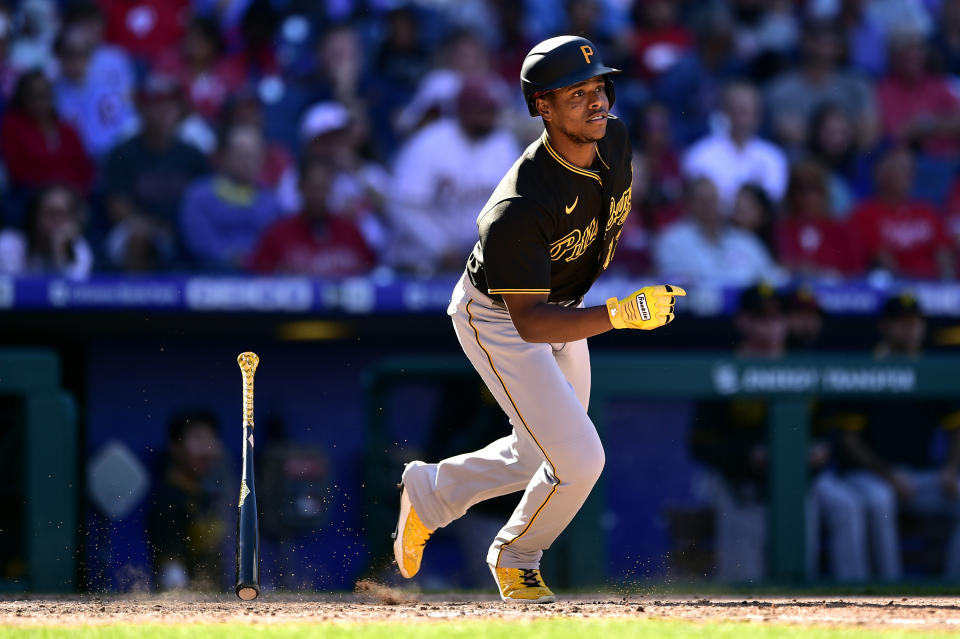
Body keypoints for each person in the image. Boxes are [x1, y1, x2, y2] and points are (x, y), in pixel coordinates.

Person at [392, 36, 686, 604]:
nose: (596, 101)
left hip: (562, 306)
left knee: (538, 451)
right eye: (577, 94)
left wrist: (601, 309)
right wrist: (619, 315)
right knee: (580, 458)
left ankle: (430, 491)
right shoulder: (517, 206)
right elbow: (527, 322)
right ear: (541, 107)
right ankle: (516, 555)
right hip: (498, 316)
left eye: (599, 87)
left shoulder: (616, 143)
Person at [690, 284, 869, 583]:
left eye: (778, 316)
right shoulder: (724, 369)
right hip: (739, 480)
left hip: (800, 481)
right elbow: (700, 444)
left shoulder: (803, 363)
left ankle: (852, 595)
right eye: (762, 317)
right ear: (743, 321)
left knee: (801, 574)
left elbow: (830, 430)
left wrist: (821, 450)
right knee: (743, 580)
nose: (772, 325)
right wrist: (749, 455)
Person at [833, 294, 960, 580]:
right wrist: (889, 474)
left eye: (915, 322)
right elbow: (848, 439)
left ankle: (952, 588)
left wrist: (951, 469)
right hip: (870, 476)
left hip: (919, 477)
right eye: (902, 323)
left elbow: (955, 428)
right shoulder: (866, 366)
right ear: (885, 326)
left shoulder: (931, 369)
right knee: (880, 499)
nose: (910, 329)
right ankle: (890, 587)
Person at [385, 76, 520, 276]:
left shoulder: (503, 145)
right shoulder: (429, 142)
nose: (490, 116)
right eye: (483, 110)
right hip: (421, 264)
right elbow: (403, 205)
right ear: (463, 110)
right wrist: (441, 247)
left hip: (480, 265)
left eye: (492, 110)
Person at [102, 75, 208, 272]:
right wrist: (155, 228)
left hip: (183, 230)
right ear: (142, 109)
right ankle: (135, 299)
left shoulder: (193, 155)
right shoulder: (122, 153)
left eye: (171, 105)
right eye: (157, 105)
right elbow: (117, 208)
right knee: (139, 237)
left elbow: (203, 202)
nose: (165, 111)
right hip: (134, 229)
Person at [146, 410, 232, 591]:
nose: (208, 449)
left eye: (212, 439)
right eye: (199, 439)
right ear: (175, 447)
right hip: (184, 605)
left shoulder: (207, 496)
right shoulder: (168, 498)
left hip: (216, 599)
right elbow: (171, 572)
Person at [249, 157, 375, 276]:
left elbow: (372, 274)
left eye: (323, 188)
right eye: (312, 188)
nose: (318, 195)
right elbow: (259, 279)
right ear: (300, 188)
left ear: (330, 188)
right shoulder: (277, 234)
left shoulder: (351, 232)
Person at [179, 125, 281, 270]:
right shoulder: (199, 195)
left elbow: (275, 244)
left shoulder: (271, 202)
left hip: (259, 275)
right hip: (211, 273)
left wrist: (254, 259)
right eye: (241, 155)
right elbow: (198, 241)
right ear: (224, 156)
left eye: (252, 156)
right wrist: (229, 256)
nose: (247, 162)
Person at [653, 177, 782, 286]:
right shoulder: (671, 240)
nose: (710, 206)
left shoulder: (744, 239)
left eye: (714, 200)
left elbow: (771, 276)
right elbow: (675, 283)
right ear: (689, 204)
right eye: (703, 201)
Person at [848, 147, 954, 280]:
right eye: (902, 169)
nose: (910, 175)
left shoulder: (927, 211)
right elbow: (884, 262)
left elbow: (944, 254)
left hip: (935, 288)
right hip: (897, 289)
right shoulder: (865, 213)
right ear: (882, 174)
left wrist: (947, 286)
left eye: (912, 170)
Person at [682, 80, 788, 211]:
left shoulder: (772, 156)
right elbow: (699, 199)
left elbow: (772, 198)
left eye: (748, 112)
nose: (742, 119)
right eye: (737, 110)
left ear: (758, 116)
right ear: (724, 112)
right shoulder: (700, 153)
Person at [0, 184, 93, 279]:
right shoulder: (9, 243)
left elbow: (74, 291)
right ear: (34, 215)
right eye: (51, 213)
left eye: (63, 214)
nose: (57, 221)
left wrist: (59, 253)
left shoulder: (78, 248)